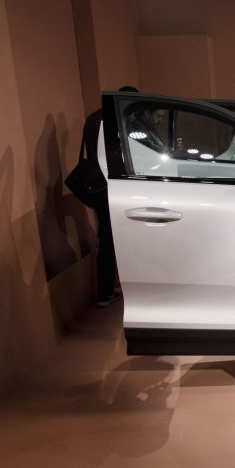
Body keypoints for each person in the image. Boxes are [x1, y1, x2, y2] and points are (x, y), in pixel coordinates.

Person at [82, 85, 139, 307]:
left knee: (106, 239)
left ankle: (105, 291)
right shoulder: (118, 120)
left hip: (97, 187)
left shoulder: (92, 118)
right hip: (114, 187)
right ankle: (115, 290)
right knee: (120, 239)